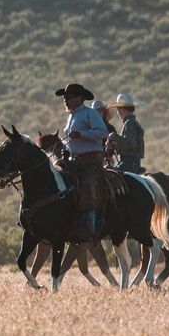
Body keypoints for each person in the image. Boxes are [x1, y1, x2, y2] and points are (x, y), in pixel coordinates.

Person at [56, 83, 110, 235]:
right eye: (64, 98)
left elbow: (103, 132)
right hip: (75, 159)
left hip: (91, 160)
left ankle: (89, 226)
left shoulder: (90, 113)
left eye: (69, 97)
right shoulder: (71, 116)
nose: (65, 100)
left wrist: (82, 134)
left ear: (80, 98)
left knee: (87, 185)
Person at [107, 93, 145, 174]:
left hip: (129, 163)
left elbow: (130, 144)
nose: (117, 112)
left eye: (118, 109)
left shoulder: (129, 123)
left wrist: (113, 136)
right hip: (132, 163)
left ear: (123, 109)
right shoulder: (132, 122)